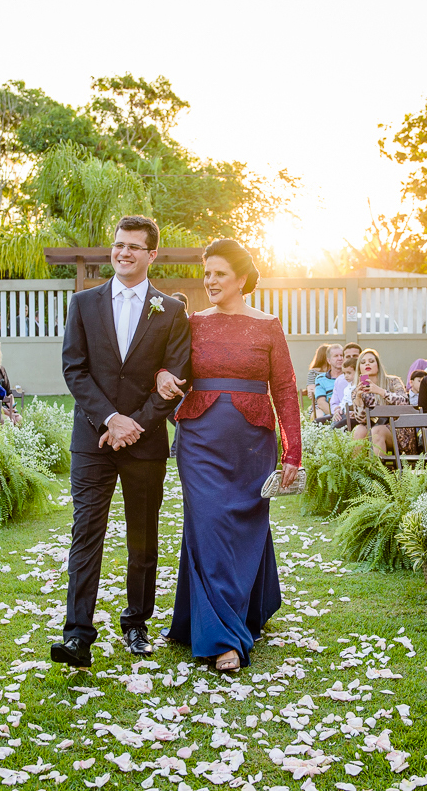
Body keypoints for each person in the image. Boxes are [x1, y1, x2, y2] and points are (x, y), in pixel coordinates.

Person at [52, 215, 191, 670]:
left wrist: (136, 425)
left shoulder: (171, 311)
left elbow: (176, 378)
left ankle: (136, 623)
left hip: (145, 443)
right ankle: (77, 635)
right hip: (93, 439)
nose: (123, 253)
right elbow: (75, 369)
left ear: (152, 255)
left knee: (143, 537)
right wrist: (111, 420)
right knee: (86, 532)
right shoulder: (83, 304)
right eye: (118, 245)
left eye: (133, 246)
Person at [155, 238, 298, 672]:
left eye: (219, 273)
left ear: (241, 278)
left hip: (253, 445)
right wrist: (161, 374)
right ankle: (223, 638)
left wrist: (292, 452)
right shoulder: (193, 323)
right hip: (199, 442)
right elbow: (167, 364)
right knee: (209, 525)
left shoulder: (268, 326)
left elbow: (285, 389)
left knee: (246, 527)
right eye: (207, 273)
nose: (210, 280)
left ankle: (252, 605)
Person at [348, 349, 410, 455]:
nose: (367, 364)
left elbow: (404, 402)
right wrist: (358, 399)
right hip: (372, 428)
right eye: (363, 362)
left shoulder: (393, 381)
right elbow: (361, 419)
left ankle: (377, 466)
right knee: (359, 430)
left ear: (378, 365)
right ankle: (357, 466)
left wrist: (380, 391)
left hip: (398, 430)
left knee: (377, 431)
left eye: (371, 361)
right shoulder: (357, 390)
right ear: (359, 368)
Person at [312, 344, 342, 419]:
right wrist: (336, 415)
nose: (340, 358)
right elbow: (321, 402)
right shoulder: (321, 379)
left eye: (341, 355)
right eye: (336, 356)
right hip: (330, 414)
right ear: (329, 360)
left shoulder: (349, 377)